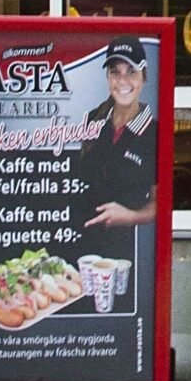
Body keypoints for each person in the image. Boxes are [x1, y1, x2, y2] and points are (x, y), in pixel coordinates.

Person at [76, 39, 158, 262]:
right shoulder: (94, 119)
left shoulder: (153, 133)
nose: (123, 81)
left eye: (131, 72)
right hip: (81, 244)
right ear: (108, 78)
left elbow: (161, 202)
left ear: (144, 77)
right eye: (115, 72)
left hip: (127, 252)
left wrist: (131, 217)